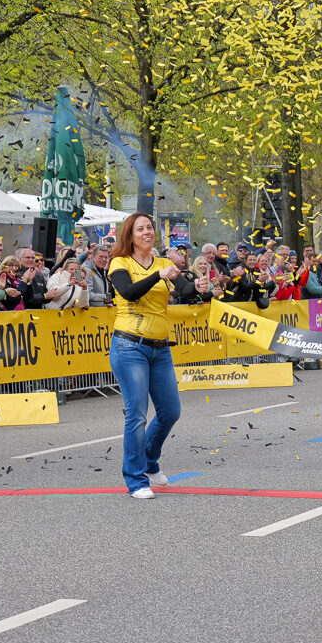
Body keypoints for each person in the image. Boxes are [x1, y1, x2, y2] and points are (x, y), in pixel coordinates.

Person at [107, 214, 182, 499]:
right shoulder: (120, 263)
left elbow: (184, 289)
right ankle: (136, 480)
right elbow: (129, 292)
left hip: (160, 348)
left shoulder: (165, 262)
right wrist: (158, 276)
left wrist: (197, 286)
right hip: (130, 347)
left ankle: (149, 462)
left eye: (150, 227)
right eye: (140, 228)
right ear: (130, 234)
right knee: (137, 414)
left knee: (171, 412)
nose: (147, 232)